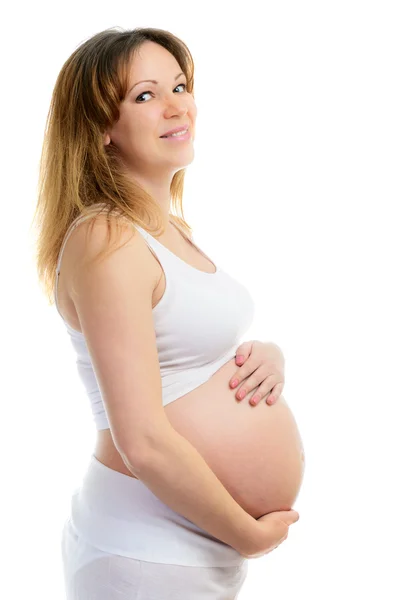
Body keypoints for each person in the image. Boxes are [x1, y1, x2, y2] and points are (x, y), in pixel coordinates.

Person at [33, 26, 298, 599]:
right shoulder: (106, 239)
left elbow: (190, 351)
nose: (177, 105)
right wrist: (247, 536)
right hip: (142, 554)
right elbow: (144, 439)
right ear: (102, 127)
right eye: (146, 95)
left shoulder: (167, 229)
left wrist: (266, 357)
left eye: (180, 86)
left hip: (181, 551)